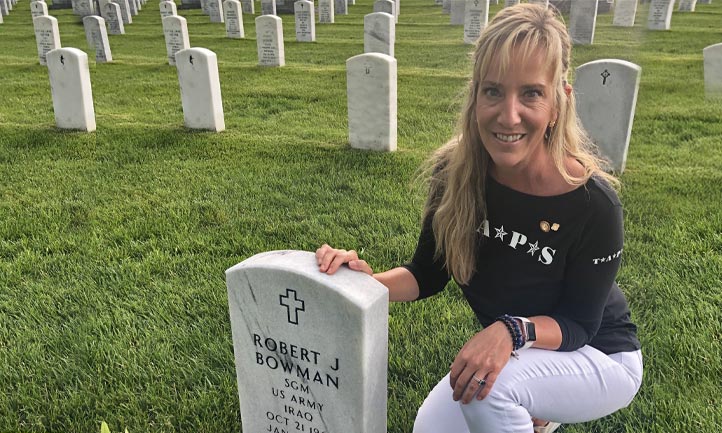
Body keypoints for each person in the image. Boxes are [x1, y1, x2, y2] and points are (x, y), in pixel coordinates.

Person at [316, 4, 642, 433]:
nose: (509, 116)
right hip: (521, 351)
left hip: (598, 356)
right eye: (493, 91)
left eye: (531, 93)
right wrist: (359, 281)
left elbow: (580, 324)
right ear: (475, 95)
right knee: (429, 428)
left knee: (497, 391)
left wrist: (511, 332)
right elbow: (426, 275)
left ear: (559, 101)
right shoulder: (454, 174)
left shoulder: (592, 203)